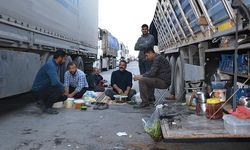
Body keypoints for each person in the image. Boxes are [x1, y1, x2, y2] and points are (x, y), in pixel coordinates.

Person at [32, 50, 67, 114]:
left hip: (42, 88)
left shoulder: (54, 64)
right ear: (60, 58)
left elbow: (55, 80)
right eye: (64, 59)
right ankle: (47, 107)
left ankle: (42, 102)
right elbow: (55, 82)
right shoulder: (51, 65)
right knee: (59, 90)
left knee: (64, 96)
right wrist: (63, 88)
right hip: (38, 90)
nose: (64, 61)